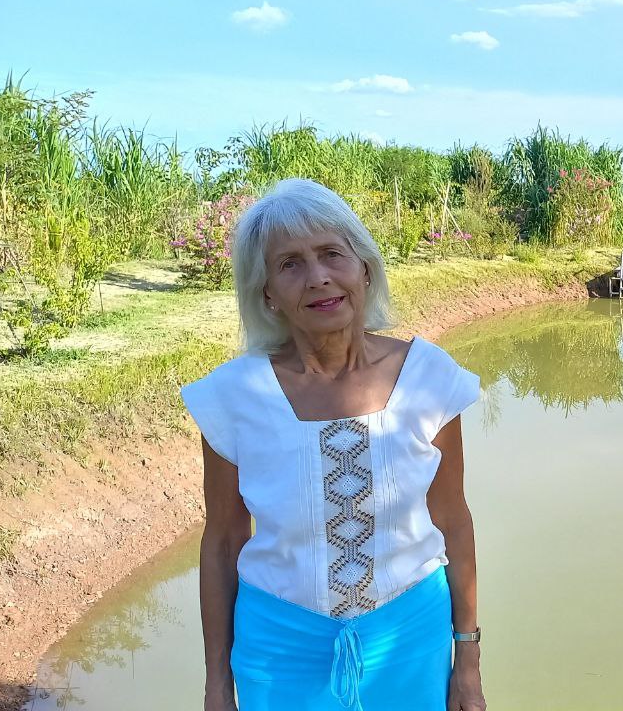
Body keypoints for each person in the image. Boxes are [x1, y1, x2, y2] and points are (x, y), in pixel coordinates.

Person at [180, 178, 487, 711]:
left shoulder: (429, 378)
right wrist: (216, 684)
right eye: (290, 263)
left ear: (364, 267)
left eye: (331, 254)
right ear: (267, 293)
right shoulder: (232, 397)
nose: (318, 277)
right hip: (277, 651)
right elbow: (224, 541)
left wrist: (468, 662)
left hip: (411, 640)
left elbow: (453, 522)